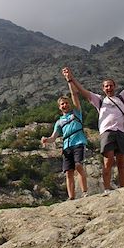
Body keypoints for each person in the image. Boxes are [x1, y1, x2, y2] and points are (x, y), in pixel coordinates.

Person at [64, 61, 124, 192]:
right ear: (103, 88)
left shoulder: (122, 97)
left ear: (114, 86)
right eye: (106, 86)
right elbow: (82, 91)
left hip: (122, 132)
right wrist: (70, 78)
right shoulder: (99, 100)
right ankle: (106, 189)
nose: (109, 88)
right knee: (108, 161)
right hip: (107, 132)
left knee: (122, 163)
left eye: (111, 86)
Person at [41, 70, 88, 199]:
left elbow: (74, 94)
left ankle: (84, 192)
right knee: (68, 172)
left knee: (78, 165)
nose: (65, 105)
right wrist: (46, 140)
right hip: (67, 147)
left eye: (66, 103)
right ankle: (71, 197)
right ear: (59, 107)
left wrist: (69, 80)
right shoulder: (59, 122)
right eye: (62, 104)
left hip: (78, 142)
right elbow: (54, 137)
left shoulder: (76, 113)